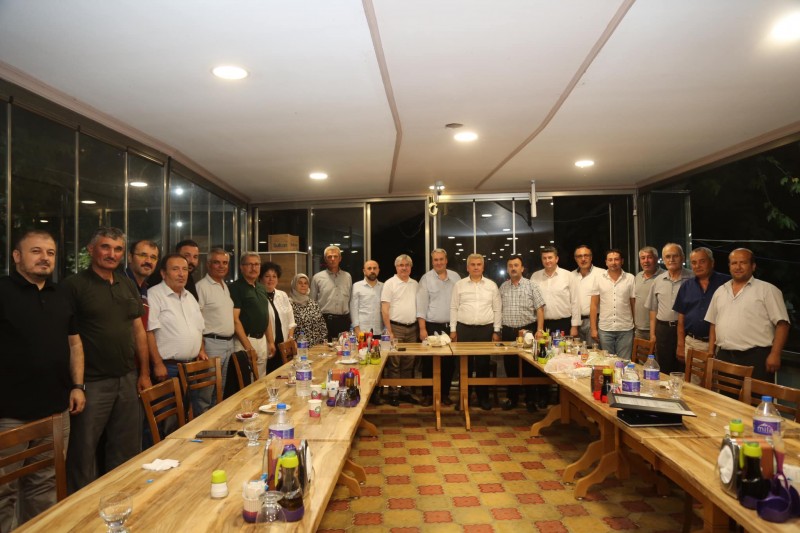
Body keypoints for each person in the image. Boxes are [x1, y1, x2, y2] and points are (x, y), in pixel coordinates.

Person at [0, 230, 86, 529]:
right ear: (17, 256)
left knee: (45, 484)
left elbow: (75, 344)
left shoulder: (61, 294)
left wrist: (77, 386)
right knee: (4, 491)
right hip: (10, 413)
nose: (44, 258)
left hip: (56, 409)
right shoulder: (2, 291)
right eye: (35, 251)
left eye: (50, 253)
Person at [62, 227, 151, 493]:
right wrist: (76, 385)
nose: (112, 254)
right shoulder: (73, 286)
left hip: (127, 377)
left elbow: (138, 330)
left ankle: (122, 498)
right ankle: (81, 506)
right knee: (83, 451)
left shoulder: (126, 284)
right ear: (91, 250)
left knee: (126, 448)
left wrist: (144, 373)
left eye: (118, 249)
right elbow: (66, 338)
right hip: (92, 382)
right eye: (105, 247)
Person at [706, 248, 790, 382]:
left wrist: (775, 354)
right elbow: (713, 323)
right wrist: (711, 351)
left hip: (756, 357)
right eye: (734, 263)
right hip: (725, 356)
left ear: (753, 266)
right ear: (729, 266)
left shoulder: (768, 290)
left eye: (743, 263)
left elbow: (783, 324)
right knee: (726, 395)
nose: (738, 267)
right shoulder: (720, 291)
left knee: (756, 395)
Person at [146, 254, 209, 416]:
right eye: (175, 269)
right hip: (168, 368)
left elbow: (199, 328)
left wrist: (200, 350)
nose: (181, 274)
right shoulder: (154, 295)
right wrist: (157, 363)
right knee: (168, 418)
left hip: (191, 367)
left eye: (185, 269)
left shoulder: (190, 297)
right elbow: (149, 332)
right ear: (163, 273)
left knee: (190, 415)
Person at [450, 253, 501, 411]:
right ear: (468, 267)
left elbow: (497, 309)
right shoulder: (459, 285)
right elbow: (453, 307)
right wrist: (453, 330)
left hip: (485, 330)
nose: (476, 267)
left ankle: (482, 397)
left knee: (482, 365)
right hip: (463, 329)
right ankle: (463, 397)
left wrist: (496, 330)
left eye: (479, 264)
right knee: (463, 365)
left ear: (483, 267)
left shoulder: (491, 285)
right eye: (473, 264)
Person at [499, 255, 545, 412]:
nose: (513, 268)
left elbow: (540, 309)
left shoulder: (532, 285)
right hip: (508, 332)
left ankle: (530, 400)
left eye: (516, 265)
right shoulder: (503, 287)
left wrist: (540, 330)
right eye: (510, 265)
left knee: (529, 367)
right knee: (510, 366)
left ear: (522, 268)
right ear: (507, 269)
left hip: (527, 331)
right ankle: (512, 398)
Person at [416, 249, 461, 406]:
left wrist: (456, 329)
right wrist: (422, 328)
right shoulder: (425, 279)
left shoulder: (456, 277)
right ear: (432, 261)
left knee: (449, 363)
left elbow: (460, 303)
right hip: (431, 326)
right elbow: (421, 306)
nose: (439, 262)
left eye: (441, 259)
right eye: (436, 260)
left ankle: (444, 394)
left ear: (446, 260)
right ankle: (428, 394)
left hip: (451, 327)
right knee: (429, 362)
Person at [674, 247, 730, 362]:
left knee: (716, 374)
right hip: (693, 343)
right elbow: (681, 319)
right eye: (694, 263)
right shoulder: (686, 286)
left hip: (721, 345)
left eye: (702, 261)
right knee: (691, 375)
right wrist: (680, 345)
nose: (697, 266)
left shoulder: (726, 283)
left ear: (712, 262)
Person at [644, 243, 693, 374]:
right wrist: (653, 334)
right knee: (664, 369)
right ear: (663, 260)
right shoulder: (658, 280)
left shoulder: (692, 279)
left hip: (686, 331)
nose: (671, 259)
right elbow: (653, 310)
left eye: (675, 256)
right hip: (663, 330)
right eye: (668, 256)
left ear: (682, 257)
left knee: (684, 370)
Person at [195, 249, 236, 405]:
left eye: (225, 263)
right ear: (208, 264)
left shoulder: (224, 286)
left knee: (220, 390)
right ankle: (203, 420)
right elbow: (196, 319)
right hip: (211, 345)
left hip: (228, 344)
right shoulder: (202, 287)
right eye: (216, 262)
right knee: (206, 393)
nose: (221, 266)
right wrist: (201, 348)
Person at [381, 254, 419, 406]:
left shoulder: (415, 284)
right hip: (395, 328)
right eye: (401, 265)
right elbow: (385, 309)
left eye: (407, 265)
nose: (404, 268)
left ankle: (406, 392)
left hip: (413, 328)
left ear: (411, 267)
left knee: (409, 363)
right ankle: (393, 393)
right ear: (396, 267)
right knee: (394, 363)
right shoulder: (389, 284)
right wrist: (389, 331)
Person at [230, 252, 274, 378]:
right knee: (246, 381)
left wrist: (270, 341)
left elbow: (265, 316)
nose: (253, 268)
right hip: (245, 341)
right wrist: (248, 347)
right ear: (241, 267)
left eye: (256, 264)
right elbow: (235, 319)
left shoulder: (261, 288)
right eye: (249, 264)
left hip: (262, 340)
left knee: (261, 379)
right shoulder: (235, 288)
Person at [591, 249, 636, 360]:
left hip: (626, 328)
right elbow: (593, 305)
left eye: (616, 259)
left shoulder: (630, 278)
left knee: (624, 362)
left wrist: (636, 325)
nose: (613, 262)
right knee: (607, 362)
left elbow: (633, 303)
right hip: (605, 328)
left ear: (622, 261)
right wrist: (593, 329)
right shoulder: (598, 278)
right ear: (606, 262)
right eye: (610, 260)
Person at [530, 246, 580, 338]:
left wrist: (574, 326)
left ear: (556, 259)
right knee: (543, 348)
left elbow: (575, 302)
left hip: (564, 324)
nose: (547, 260)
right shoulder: (535, 277)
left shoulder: (568, 275)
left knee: (563, 348)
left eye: (550, 257)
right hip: (541, 325)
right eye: (544, 258)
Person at [260, 261, 296, 374]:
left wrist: (290, 337)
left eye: (274, 276)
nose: (271, 279)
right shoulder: (259, 296)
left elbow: (291, 320)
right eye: (267, 276)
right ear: (261, 278)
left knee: (283, 374)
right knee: (267, 375)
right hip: (267, 344)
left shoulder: (282, 295)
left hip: (283, 344)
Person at [311, 245, 352, 341]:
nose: (332, 259)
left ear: (340, 258)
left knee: (344, 347)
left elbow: (350, 299)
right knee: (324, 348)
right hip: (324, 320)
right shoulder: (317, 278)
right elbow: (312, 302)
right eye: (329, 257)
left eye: (335, 256)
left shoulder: (347, 277)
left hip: (344, 321)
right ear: (325, 259)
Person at [571, 245, 603, 344]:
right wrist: (573, 325)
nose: (583, 259)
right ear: (575, 259)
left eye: (586, 255)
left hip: (595, 321)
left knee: (594, 351)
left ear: (591, 257)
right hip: (575, 322)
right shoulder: (571, 276)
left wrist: (594, 328)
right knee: (577, 351)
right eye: (579, 256)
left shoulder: (602, 274)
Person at [289, 274, 328, 347]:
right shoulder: (289, 304)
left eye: (305, 283)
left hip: (317, 347)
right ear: (294, 285)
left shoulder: (313, 304)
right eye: (300, 283)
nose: (303, 285)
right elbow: (287, 328)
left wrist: (323, 342)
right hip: (299, 348)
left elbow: (322, 325)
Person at [634, 246, 663, 340]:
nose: (646, 261)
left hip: (658, 328)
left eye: (649, 257)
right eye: (643, 258)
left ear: (656, 259)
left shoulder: (664, 277)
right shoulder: (638, 276)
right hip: (639, 329)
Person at [350, 260, 384, 338]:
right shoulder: (357, 286)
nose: (372, 271)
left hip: (380, 330)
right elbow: (353, 309)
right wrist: (357, 329)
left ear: (378, 270)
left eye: (375, 268)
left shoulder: (384, 287)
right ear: (364, 271)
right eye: (369, 268)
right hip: (362, 331)